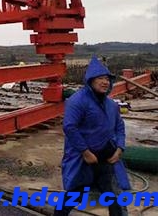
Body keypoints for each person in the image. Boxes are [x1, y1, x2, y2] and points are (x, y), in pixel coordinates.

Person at [55, 56, 130, 216]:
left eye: (107, 79)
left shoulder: (111, 105)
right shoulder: (77, 101)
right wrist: (86, 152)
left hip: (106, 156)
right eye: (100, 78)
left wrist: (120, 148)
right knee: (75, 193)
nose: (105, 82)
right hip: (84, 158)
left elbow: (119, 126)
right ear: (90, 80)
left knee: (115, 196)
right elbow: (70, 127)